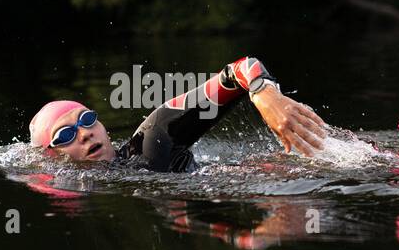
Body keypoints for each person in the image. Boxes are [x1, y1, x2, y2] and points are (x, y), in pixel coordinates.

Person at [27, 56, 328, 172]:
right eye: (65, 135)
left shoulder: (151, 140)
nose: (84, 133)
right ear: (50, 157)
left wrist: (265, 94)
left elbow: (240, 70)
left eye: (87, 119)